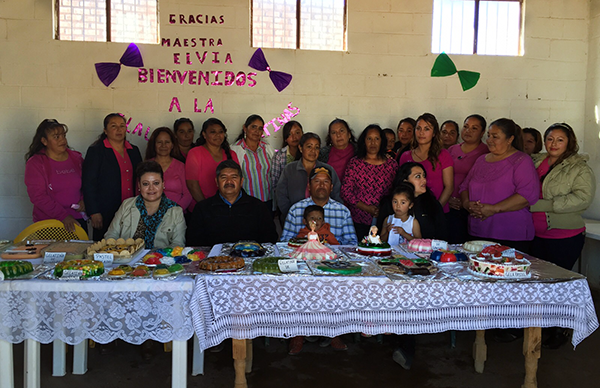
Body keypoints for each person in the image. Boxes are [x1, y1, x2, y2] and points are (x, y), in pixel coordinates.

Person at [530, 123, 595, 348]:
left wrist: (541, 206)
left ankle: (560, 329)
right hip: (534, 235)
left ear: (569, 142)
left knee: (559, 284)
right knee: (538, 284)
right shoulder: (536, 160)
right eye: (550, 139)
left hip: (564, 236)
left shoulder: (579, 167)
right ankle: (538, 327)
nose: (554, 144)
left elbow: (582, 198)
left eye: (560, 140)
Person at [459, 118, 539, 253]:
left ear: (510, 139)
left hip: (510, 234)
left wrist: (494, 209)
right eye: (489, 136)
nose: (489, 140)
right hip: (479, 232)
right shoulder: (481, 160)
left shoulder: (521, 160)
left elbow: (527, 195)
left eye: (495, 137)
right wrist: (467, 204)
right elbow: (464, 187)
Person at [186, 160, 278, 246]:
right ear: (217, 182)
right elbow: (194, 243)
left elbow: (270, 239)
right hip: (214, 261)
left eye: (234, 177)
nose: (229, 181)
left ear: (241, 181)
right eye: (224, 177)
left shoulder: (258, 207)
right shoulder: (202, 208)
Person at [83, 113, 143, 241]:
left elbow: (140, 179)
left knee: (130, 245)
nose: (119, 129)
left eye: (122, 126)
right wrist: (94, 212)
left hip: (131, 209)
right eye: (114, 126)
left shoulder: (134, 150)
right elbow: (89, 183)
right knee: (105, 246)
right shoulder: (96, 151)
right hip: (105, 210)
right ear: (105, 130)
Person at [105, 160, 185, 248]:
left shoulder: (176, 211)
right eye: (146, 184)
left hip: (161, 260)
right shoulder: (127, 205)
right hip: (126, 259)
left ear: (163, 184)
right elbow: (111, 235)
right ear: (139, 186)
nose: (151, 188)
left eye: (156, 183)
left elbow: (178, 245)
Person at [24, 119, 86, 232]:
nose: (62, 140)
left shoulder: (76, 158)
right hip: (49, 222)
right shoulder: (36, 163)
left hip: (77, 220)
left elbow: (87, 183)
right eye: (56, 137)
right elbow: (38, 196)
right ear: (44, 141)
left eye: (63, 135)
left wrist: (84, 200)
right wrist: (63, 216)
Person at [342, 124, 398, 239]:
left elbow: (397, 191)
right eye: (369, 139)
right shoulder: (355, 163)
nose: (373, 143)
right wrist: (366, 208)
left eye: (377, 139)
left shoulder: (391, 165)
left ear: (382, 141)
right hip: (358, 219)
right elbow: (346, 191)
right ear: (364, 141)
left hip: (385, 221)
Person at [281, 166, 357, 245]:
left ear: (331, 187)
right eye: (317, 181)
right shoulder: (296, 210)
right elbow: (284, 242)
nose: (321, 185)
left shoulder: (343, 211)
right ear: (309, 186)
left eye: (326, 181)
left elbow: (352, 244)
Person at [277, 133, 342, 219]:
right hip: (294, 218)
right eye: (309, 147)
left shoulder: (327, 169)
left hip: (323, 220)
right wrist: (291, 214)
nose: (313, 151)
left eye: (317, 147)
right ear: (300, 148)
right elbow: (281, 195)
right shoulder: (289, 169)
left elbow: (337, 194)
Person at [377, 162, 448, 241]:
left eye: (424, 176)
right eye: (418, 176)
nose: (424, 180)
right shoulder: (389, 203)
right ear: (405, 181)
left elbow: (442, 233)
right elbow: (378, 236)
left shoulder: (432, 203)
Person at [446, 115, 489, 243]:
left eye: (474, 128)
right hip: (449, 205)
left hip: (472, 208)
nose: (468, 131)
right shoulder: (452, 149)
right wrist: (447, 199)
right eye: (466, 127)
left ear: (482, 133)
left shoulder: (486, 152)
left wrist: (465, 202)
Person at [399, 113, 454, 213]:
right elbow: (401, 186)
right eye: (418, 128)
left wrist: (435, 209)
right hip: (411, 213)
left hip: (436, 212)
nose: (421, 133)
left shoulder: (443, 155)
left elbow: (449, 187)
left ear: (434, 133)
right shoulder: (406, 156)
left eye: (426, 129)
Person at [185, 118, 239, 204]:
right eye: (213, 132)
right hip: (202, 207)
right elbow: (192, 185)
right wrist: (206, 207)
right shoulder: (195, 153)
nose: (218, 135)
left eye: (221, 132)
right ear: (204, 135)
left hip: (227, 207)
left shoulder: (232, 154)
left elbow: (237, 182)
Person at [230, 114, 275, 209]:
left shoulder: (267, 148)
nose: (257, 131)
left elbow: (273, 175)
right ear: (245, 128)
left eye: (260, 128)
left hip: (267, 200)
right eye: (253, 127)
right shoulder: (235, 149)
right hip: (246, 202)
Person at [145, 127, 192, 211]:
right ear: (154, 145)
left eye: (167, 142)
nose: (163, 145)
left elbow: (188, 194)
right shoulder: (146, 166)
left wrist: (175, 212)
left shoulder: (181, 166)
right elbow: (139, 193)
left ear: (172, 145)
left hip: (176, 216)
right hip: (150, 215)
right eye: (159, 142)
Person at [270, 120, 303, 211]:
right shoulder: (279, 156)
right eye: (290, 134)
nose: (294, 137)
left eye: (297, 133)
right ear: (285, 138)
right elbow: (274, 182)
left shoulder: (308, 153)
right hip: (286, 201)